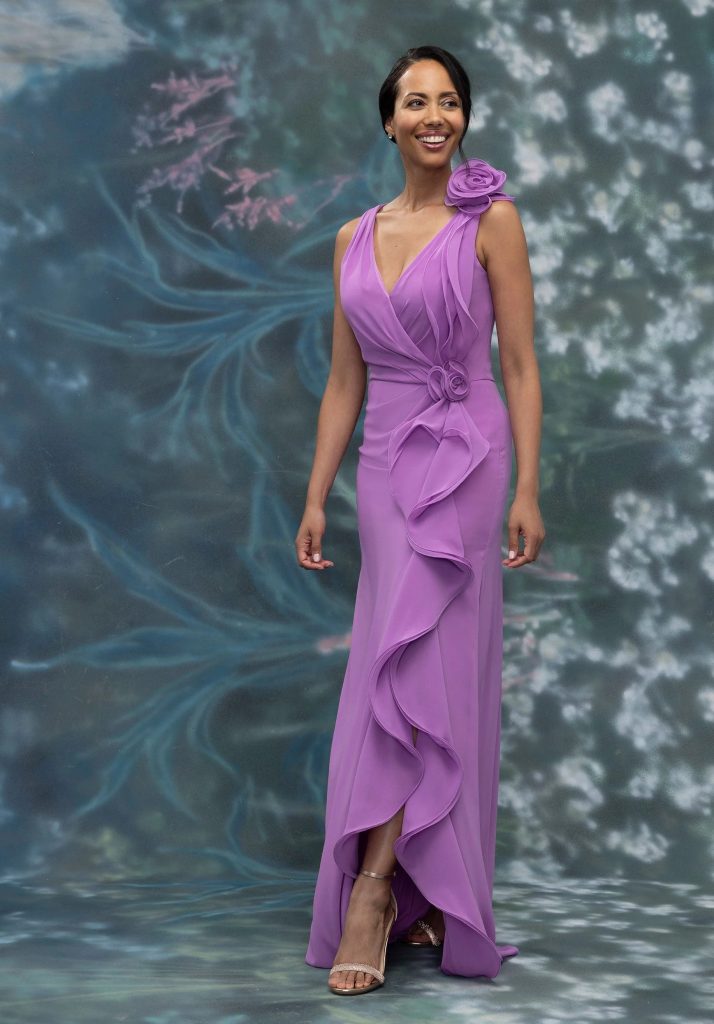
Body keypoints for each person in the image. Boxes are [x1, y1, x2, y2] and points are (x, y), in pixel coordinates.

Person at [296, 45, 544, 995]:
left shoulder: (495, 222)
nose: (435, 114)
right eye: (416, 101)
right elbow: (342, 381)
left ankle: (377, 890)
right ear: (389, 123)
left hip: (471, 464)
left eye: (450, 101)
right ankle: (419, 892)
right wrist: (317, 493)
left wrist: (526, 486)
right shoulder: (353, 237)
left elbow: (518, 365)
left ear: (462, 120)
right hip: (386, 464)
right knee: (388, 666)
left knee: (437, 669)